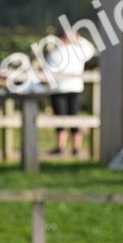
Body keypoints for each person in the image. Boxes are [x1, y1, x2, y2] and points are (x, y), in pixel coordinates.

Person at [43, 24, 97, 156]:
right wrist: (79, 39)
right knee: (74, 117)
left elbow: (47, 72)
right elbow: (91, 49)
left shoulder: (55, 54)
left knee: (60, 119)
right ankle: (76, 147)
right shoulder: (78, 51)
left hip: (59, 89)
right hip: (74, 88)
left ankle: (61, 147)